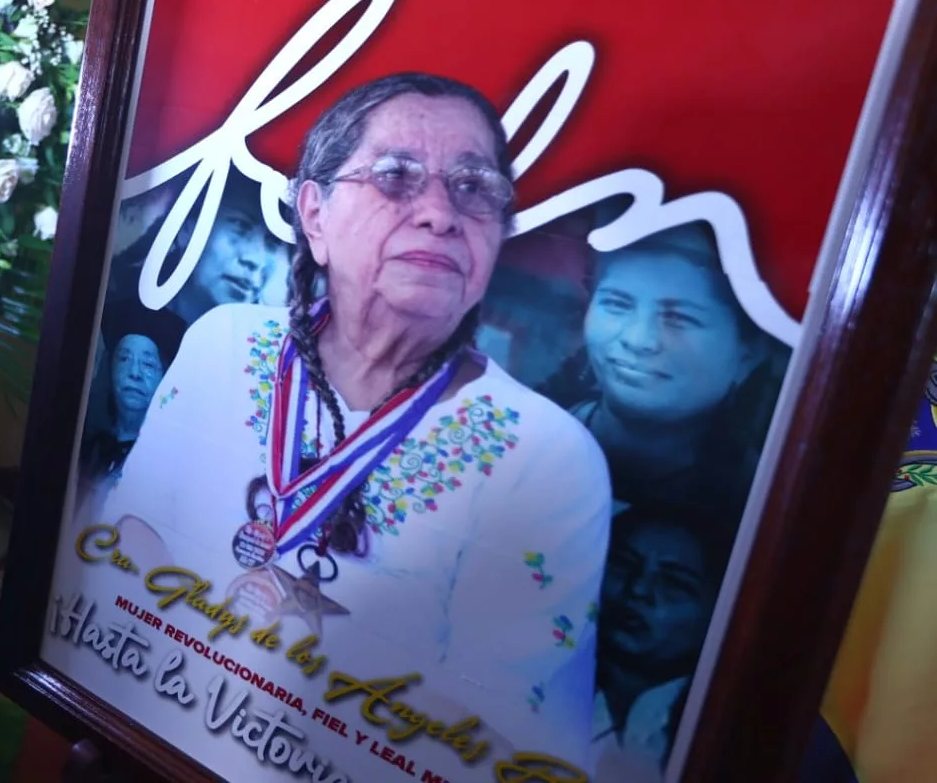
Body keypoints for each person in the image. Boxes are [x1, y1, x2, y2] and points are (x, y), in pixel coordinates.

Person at [96, 72, 614, 772]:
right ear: (314, 215)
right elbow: (130, 540)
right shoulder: (223, 344)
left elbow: (476, 731)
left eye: (472, 187)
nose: (439, 213)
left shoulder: (547, 459)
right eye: (396, 176)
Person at [550, 223, 784, 524]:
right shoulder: (523, 437)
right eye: (617, 304)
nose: (638, 340)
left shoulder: (761, 504)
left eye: (678, 318)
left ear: (749, 353)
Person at [591, 506, 731, 782]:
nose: (638, 589)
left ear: (718, 610)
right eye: (623, 564)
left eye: (673, 582)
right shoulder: (532, 685)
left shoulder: (728, 734)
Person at [104, 168, 287, 324]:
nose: (254, 260)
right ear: (188, 226)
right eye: (240, 226)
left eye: (272, 243)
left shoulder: (269, 348)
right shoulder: (115, 319)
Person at [75, 299, 188, 492]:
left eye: (148, 364)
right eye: (124, 358)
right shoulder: (88, 447)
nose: (134, 373)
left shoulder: (169, 461)